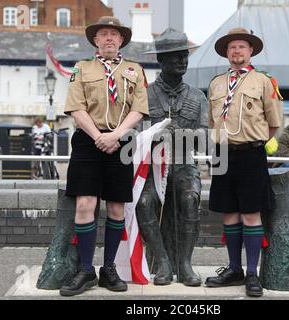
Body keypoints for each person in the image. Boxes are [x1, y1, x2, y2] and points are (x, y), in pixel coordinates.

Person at [59, 16, 149, 296]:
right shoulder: (81, 68)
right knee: (85, 204)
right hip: (88, 141)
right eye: (104, 34)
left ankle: (108, 269)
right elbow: (75, 107)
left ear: (121, 40)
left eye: (114, 34)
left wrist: (116, 134)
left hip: (120, 141)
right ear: (95, 40)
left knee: (116, 207)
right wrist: (98, 136)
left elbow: (139, 109)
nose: (109, 38)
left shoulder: (134, 69)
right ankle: (86, 270)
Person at [204, 28, 283, 297]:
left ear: (250, 51)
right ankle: (234, 268)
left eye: (241, 47)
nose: (237, 51)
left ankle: (252, 273)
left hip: (251, 153)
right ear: (227, 53)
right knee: (229, 212)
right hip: (223, 153)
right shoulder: (216, 83)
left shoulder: (263, 81)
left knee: (251, 213)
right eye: (232, 48)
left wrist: (254, 141)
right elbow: (212, 122)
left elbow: (273, 124)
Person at [137, 28, 207, 286]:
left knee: (190, 198)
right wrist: (154, 135)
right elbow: (134, 135)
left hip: (184, 164)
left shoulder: (198, 97)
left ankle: (185, 263)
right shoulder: (145, 96)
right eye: (176, 56)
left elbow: (206, 138)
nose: (182, 60)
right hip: (153, 166)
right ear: (161, 61)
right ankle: (163, 262)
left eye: (185, 55)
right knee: (144, 203)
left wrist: (185, 134)